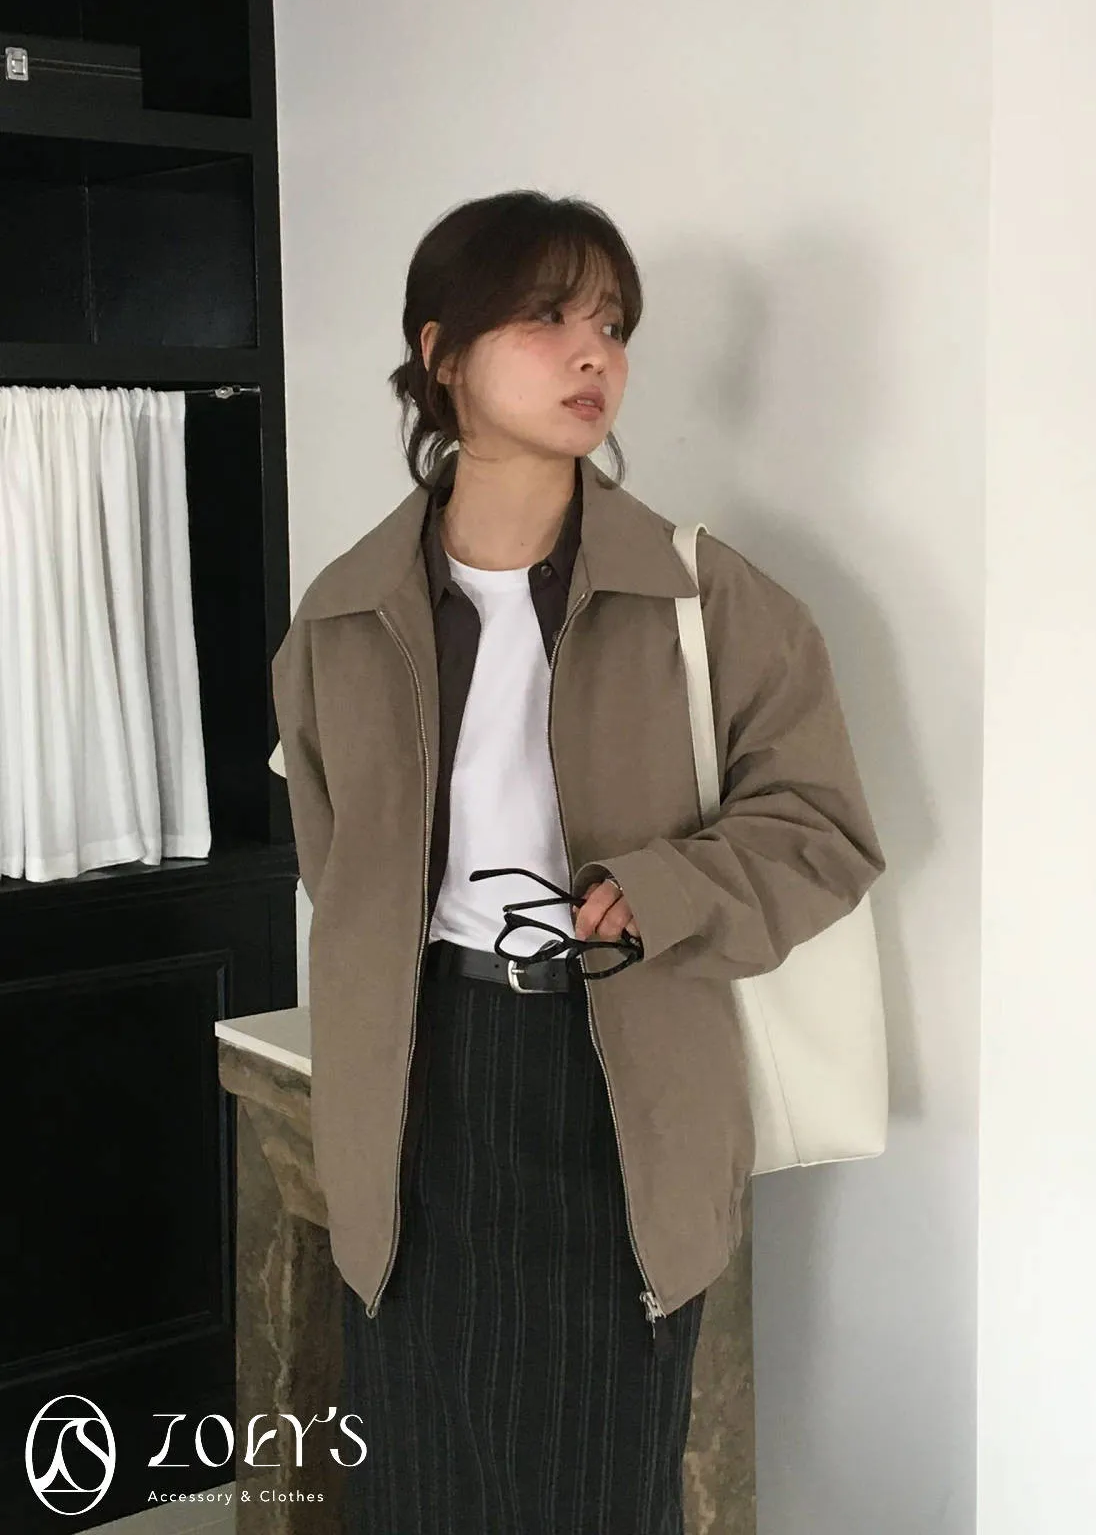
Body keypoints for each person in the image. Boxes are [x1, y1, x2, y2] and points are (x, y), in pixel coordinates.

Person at [270, 189, 887, 1534]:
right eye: (546, 317)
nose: (592, 351)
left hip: (614, 1079)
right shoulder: (343, 615)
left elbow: (823, 827)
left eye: (610, 323)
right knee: (419, 1481)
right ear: (442, 352)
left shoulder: (704, 595)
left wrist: (658, 894)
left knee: (598, 1481)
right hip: (409, 1084)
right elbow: (330, 846)